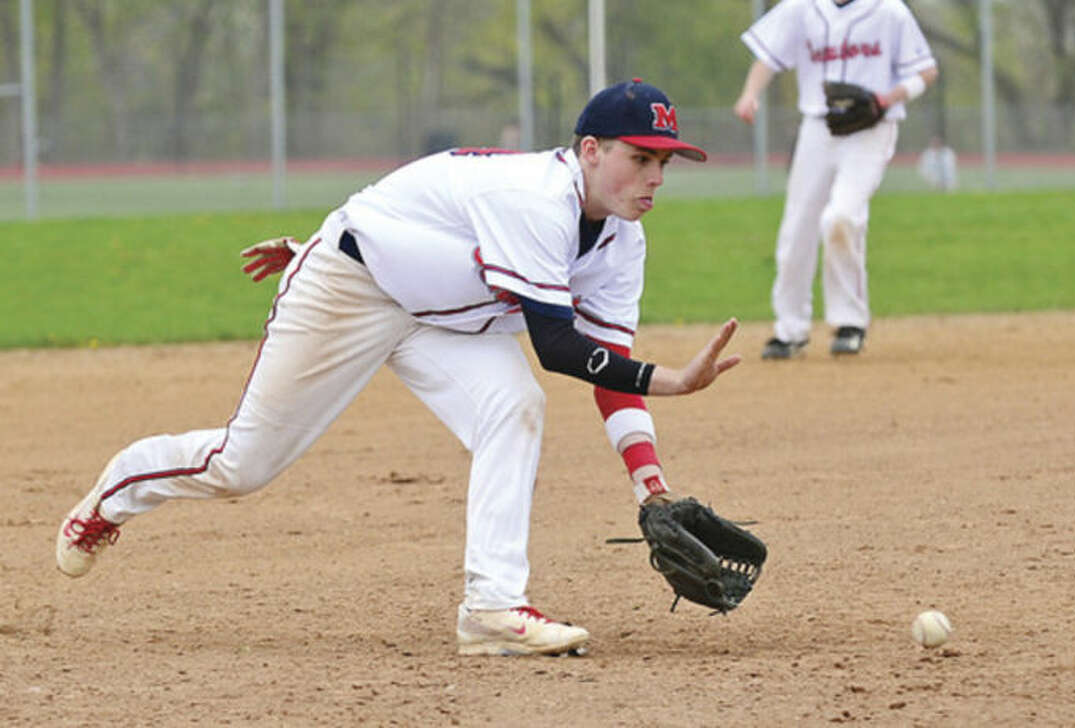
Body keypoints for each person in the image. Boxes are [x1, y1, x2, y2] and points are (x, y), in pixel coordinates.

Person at [55, 78, 742, 657]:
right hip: (350, 288)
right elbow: (561, 350)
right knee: (243, 465)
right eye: (640, 157)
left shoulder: (623, 240)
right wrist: (674, 381)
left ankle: (492, 610)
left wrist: (649, 484)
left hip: (442, 315)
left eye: (665, 163)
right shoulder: (537, 199)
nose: (654, 177)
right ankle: (118, 489)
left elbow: (607, 367)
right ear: (590, 152)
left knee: (514, 405)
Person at [733, 0, 938, 358]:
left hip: (871, 129)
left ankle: (849, 322)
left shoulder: (889, 9)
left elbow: (926, 69)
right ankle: (790, 329)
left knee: (841, 218)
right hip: (817, 128)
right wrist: (750, 94)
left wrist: (889, 98)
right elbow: (769, 55)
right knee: (797, 229)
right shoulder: (802, 4)